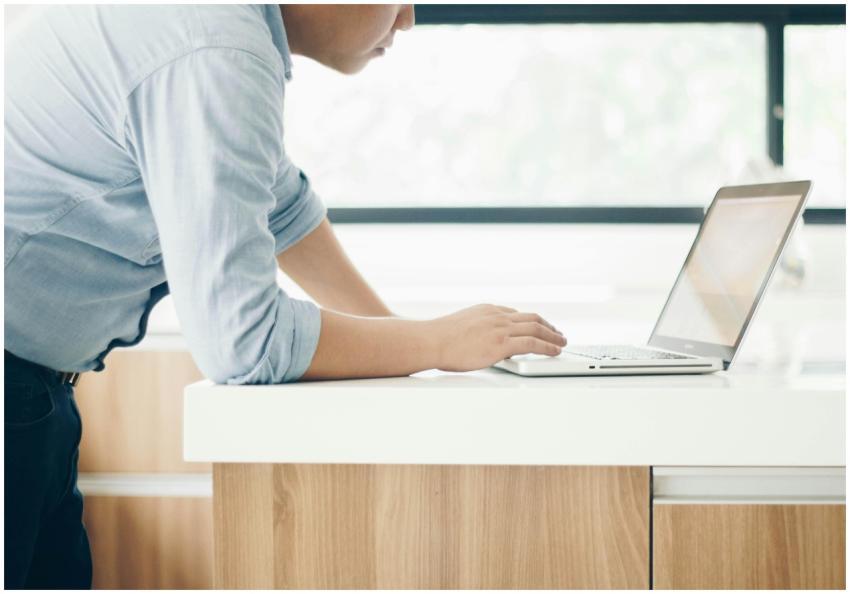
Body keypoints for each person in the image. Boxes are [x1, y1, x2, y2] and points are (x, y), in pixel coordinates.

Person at [4, 4, 567, 588]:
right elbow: (242, 340)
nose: (408, 18)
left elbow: (283, 206)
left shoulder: (218, 26)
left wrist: (417, 352)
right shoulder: (215, 46)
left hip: (33, 392)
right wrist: (435, 342)